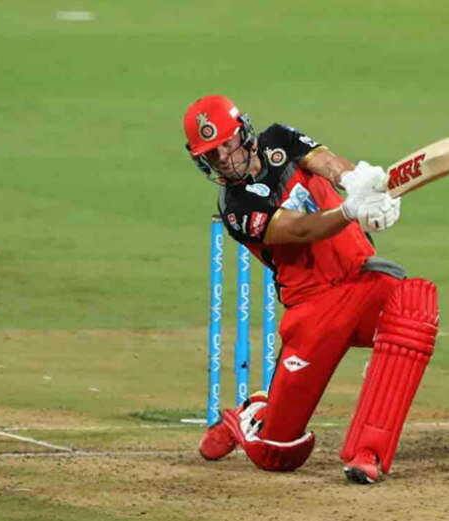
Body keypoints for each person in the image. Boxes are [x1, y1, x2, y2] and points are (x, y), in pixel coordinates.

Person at [182, 94, 439, 484]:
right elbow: (300, 230)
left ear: (243, 132)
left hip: (362, 278)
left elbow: (327, 163)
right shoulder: (236, 208)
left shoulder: (278, 140)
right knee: (278, 454)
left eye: (226, 145)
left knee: (414, 309)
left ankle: (368, 452)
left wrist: (358, 183)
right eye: (211, 155)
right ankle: (257, 413)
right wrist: (350, 211)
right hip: (313, 310)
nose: (223, 159)